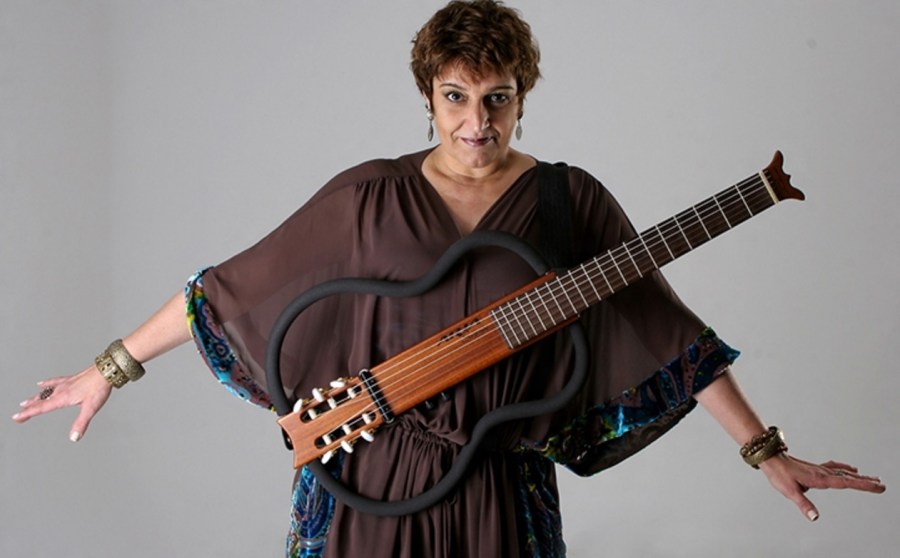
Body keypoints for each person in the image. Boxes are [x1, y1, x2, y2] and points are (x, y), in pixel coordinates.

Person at [12, 1, 885, 557]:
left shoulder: (567, 200)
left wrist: (764, 451)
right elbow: (229, 288)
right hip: (365, 481)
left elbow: (671, 334)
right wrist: (108, 368)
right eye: (457, 97)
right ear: (428, 97)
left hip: (500, 483)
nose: (477, 123)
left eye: (497, 97)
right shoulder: (370, 195)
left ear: (523, 96)